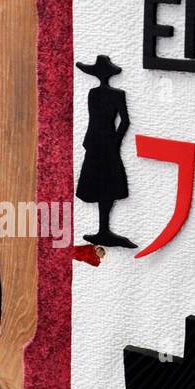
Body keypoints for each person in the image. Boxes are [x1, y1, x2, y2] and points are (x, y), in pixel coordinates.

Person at [75, 54, 135, 248]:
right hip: (94, 142)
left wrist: (115, 142)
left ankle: (105, 230)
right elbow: (94, 120)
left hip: (105, 142)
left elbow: (125, 121)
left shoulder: (117, 94)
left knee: (108, 182)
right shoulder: (93, 93)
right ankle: (102, 230)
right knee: (100, 182)